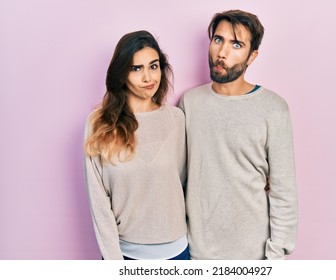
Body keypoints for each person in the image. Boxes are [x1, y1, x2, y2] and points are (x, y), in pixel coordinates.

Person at [179, 10, 298, 259]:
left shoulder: (274, 109)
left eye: (236, 44)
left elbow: (283, 191)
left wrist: (275, 258)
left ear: (252, 56)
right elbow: (178, 179)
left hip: (254, 256)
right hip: (198, 254)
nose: (222, 53)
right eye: (218, 40)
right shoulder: (190, 103)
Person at [84, 30, 188, 260]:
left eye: (153, 66)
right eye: (136, 68)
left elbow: (182, 183)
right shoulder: (99, 123)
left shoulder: (176, 119)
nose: (148, 78)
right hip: (125, 255)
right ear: (122, 73)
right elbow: (99, 204)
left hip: (178, 253)